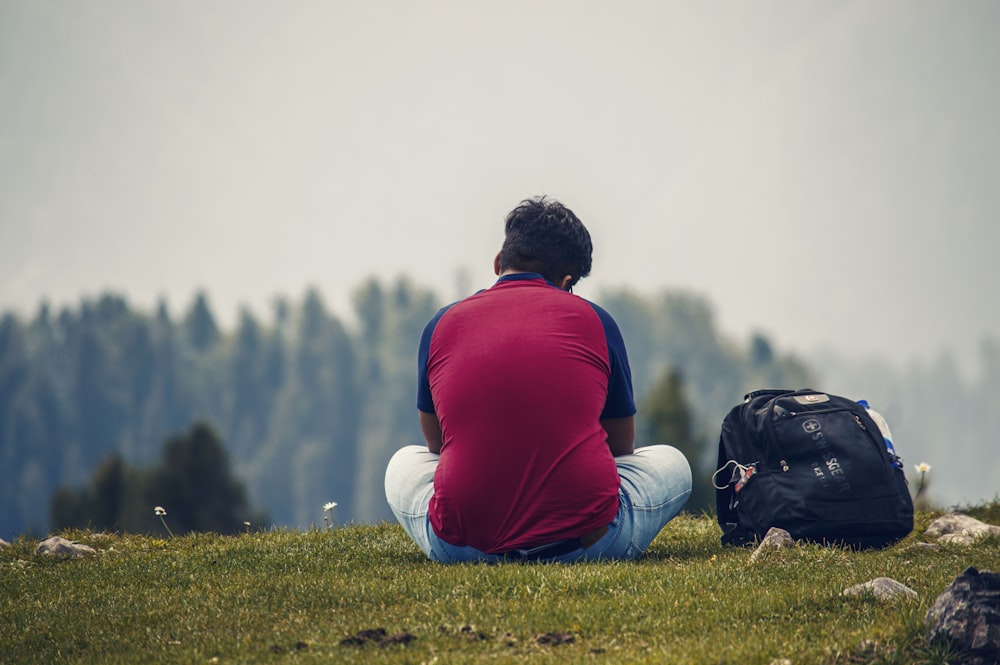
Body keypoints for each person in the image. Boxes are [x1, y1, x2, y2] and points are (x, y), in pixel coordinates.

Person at [384, 196, 692, 563]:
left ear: (499, 262)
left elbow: (436, 445)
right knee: (673, 463)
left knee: (404, 462)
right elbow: (622, 448)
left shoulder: (440, 325)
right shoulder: (596, 321)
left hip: (461, 546)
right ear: (565, 281)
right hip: (585, 544)